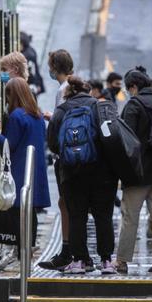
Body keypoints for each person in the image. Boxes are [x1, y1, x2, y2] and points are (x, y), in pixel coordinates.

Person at [46, 77, 119, 274]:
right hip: (101, 173)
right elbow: (112, 137)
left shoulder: (61, 111)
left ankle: (78, 261)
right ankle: (106, 261)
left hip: (72, 173)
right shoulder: (99, 107)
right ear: (88, 90)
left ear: (67, 93)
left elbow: (52, 144)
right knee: (103, 216)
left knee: (77, 216)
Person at [113, 66, 152, 275]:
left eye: (129, 89)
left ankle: (122, 261)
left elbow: (126, 141)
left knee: (130, 217)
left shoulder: (133, 106)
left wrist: (122, 172)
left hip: (137, 173)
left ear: (134, 87)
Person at [0, 77, 51, 267]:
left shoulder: (16, 116)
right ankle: (27, 253)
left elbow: (10, 145)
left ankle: (19, 254)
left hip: (19, 169)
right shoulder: (38, 115)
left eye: (8, 95)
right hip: (36, 170)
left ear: (13, 95)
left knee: (16, 213)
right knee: (30, 212)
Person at [38, 49, 78, 271]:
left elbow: (63, 122)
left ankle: (68, 251)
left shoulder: (63, 90)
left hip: (66, 155)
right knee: (70, 204)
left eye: (50, 66)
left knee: (66, 204)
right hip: (79, 154)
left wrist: (50, 119)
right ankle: (72, 251)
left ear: (55, 67)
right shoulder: (76, 84)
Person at [20, 31, 45, 96]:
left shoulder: (27, 55)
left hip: (32, 84)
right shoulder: (30, 50)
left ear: (22, 43)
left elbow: (33, 72)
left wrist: (35, 85)